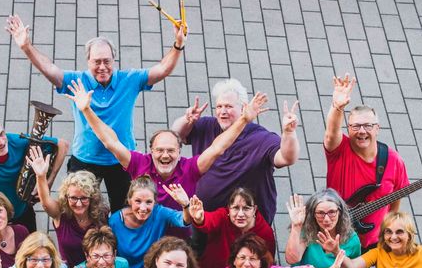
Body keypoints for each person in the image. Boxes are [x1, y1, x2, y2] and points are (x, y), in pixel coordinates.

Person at [6, 15, 185, 210]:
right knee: (77, 207)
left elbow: (163, 69)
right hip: (85, 158)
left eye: (107, 61)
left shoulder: (130, 79)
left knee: (124, 209)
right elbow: (49, 69)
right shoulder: (76, 80)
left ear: (114, 60)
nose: (102, 67)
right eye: (96, 61)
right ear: (88, 61)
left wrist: (178, 45)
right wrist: (26, 47)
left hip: (122, 158)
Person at [64, 79, 269, 211]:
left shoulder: (190, 168)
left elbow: (217, 148)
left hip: (177, 246)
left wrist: (243, 120)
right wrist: (87, 110)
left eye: (171, 151)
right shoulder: (138, 163)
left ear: (180, 152)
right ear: (151, 151)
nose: (165, 155)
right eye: (160, 150)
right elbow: (110, 141)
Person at [171, 78, 300, 223]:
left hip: (246, 226)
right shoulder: (206, 126)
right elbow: (176, 136)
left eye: (228, 106)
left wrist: (289, 133)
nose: (222, 112)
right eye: (219, 107)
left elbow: (287, 158)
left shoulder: (261, 138)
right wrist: (187, 120)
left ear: (244, 108)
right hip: (204, 221)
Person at [323, 73, 408, 251]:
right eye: (355, 126)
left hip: (370, 242)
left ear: (377, 128)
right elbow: (331, 132)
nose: (361, 131)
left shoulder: (394, 161)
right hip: (332, 236)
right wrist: (337, 107)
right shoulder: (340, 150)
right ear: (348, 128)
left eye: (368, 126)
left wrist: (389, 231)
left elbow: (396, 199)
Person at [27, 150, 107, 267]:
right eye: (73, 198)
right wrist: (41, 176)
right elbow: (45, 202)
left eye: (84, 198)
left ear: (92, 197)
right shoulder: (60, 213)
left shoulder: (101, 213)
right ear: (66, 196)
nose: (78, 204)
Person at [284, 190, 362, 268]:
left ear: (340, 212)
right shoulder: (307, 230)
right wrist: (296, 226)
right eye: (320, 213)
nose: (326, 219)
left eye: (331, 212)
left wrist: (336, 251)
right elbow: (292, 259)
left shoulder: (352, 240)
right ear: (313, 214)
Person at [106, 176, 191, 268]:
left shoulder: (160, 213)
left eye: (148, 202)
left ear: (154, 202)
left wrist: (185, 205)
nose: (143, 208)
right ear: (129, 200)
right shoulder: (115, 221)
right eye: (138, 201)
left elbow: (184, 220)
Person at [188, 190, 276, 268]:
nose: (240, 214)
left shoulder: (265, 232)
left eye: (246, 208)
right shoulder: (223, 216)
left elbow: (268, 262)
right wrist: (200, 219)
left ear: (254, 210)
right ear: (229, 208)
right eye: (236, 208)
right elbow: (209, 220)